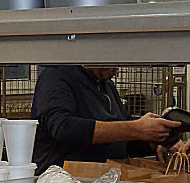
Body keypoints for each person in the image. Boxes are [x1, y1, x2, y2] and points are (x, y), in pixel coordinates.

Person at [29, 65, 178, 173]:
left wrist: (154, 141)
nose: (115, 67)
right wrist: (136, 129)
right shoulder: (56, 77)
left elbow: (124, 144)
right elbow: (63, 128)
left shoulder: (107, 85)